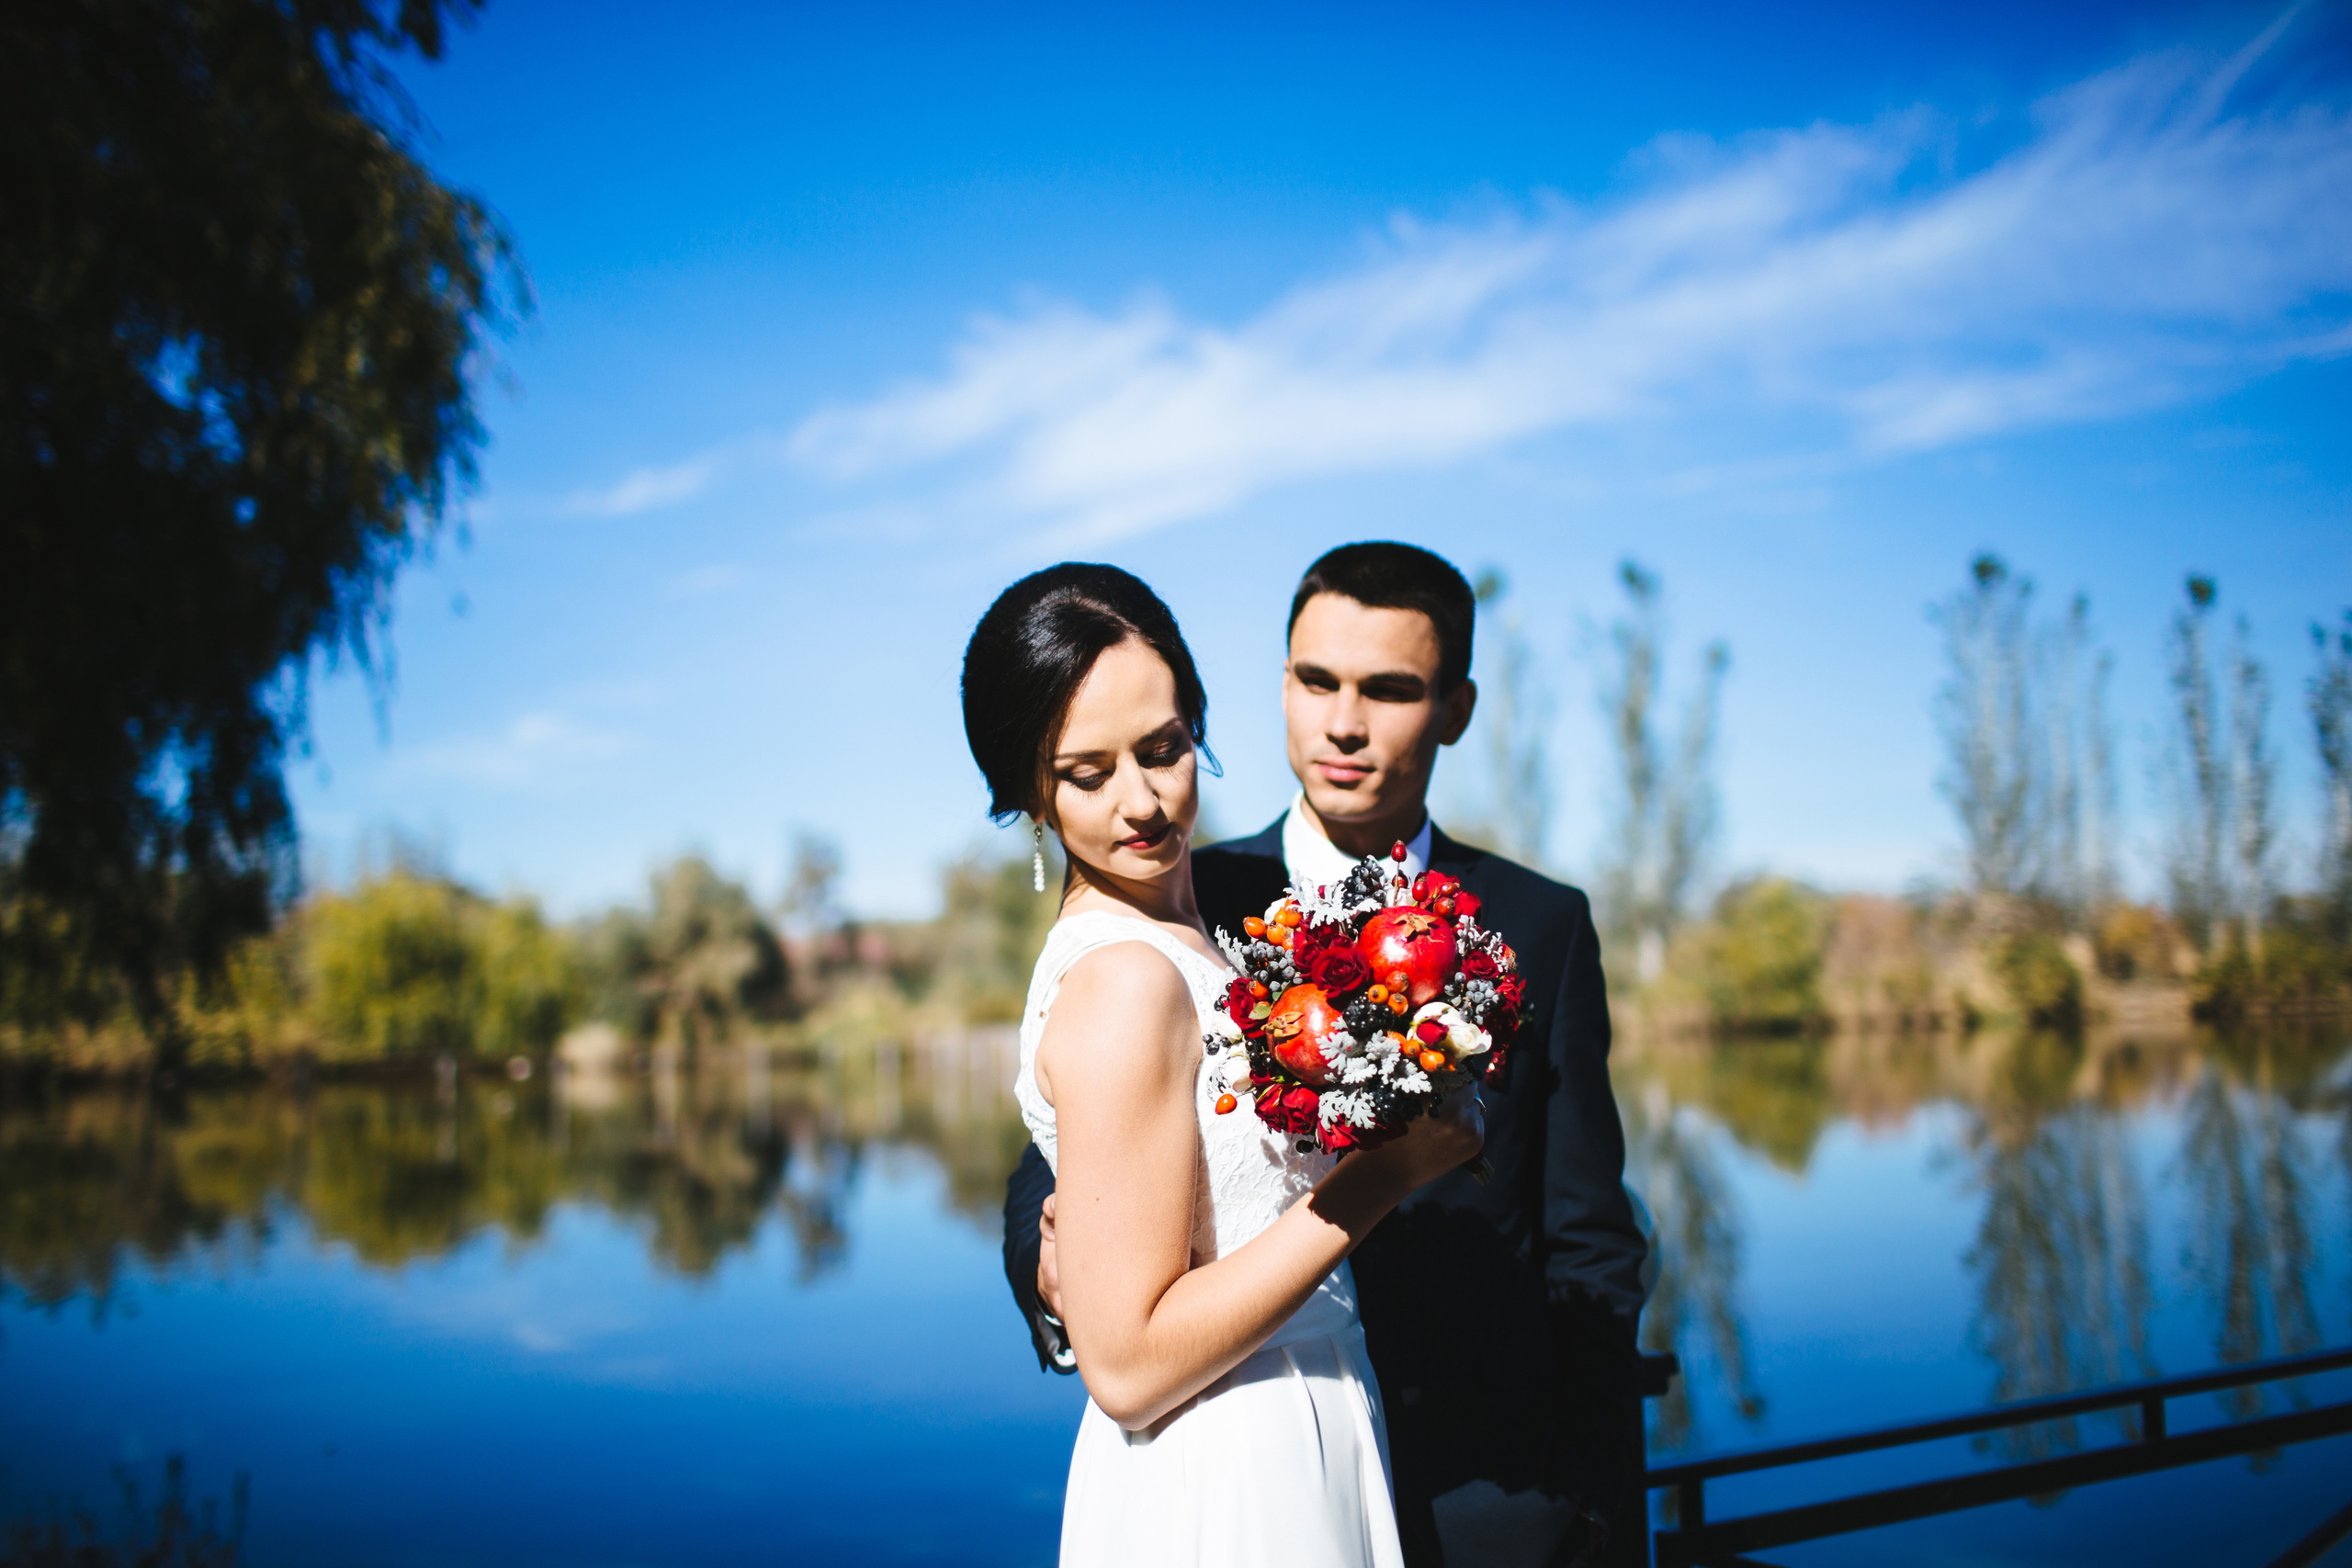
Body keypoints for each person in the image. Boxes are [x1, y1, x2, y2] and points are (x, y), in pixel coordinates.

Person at [1004, 542, 1650, 1568]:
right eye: (1316, 681)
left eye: (1388, 690)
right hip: (1242, 1449)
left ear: (1456, 708)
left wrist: (1597, 1508)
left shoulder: (1541, 922)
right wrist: (1044, 1265)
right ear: (1280, 687)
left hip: (1487, 1497)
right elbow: (1065, 1148)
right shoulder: (1175, 894)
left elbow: (1591, 1242)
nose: (1342, 722)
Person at [967, 561, 1486, 1567]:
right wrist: (1382, 1174)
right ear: (1029, 788)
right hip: (1229, 1463)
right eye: (1088, 772)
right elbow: (1125, 1367)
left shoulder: (1200, 939)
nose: (1143, 802)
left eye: (1164, 749)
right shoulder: (1126, 980)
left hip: (1305, 1413)